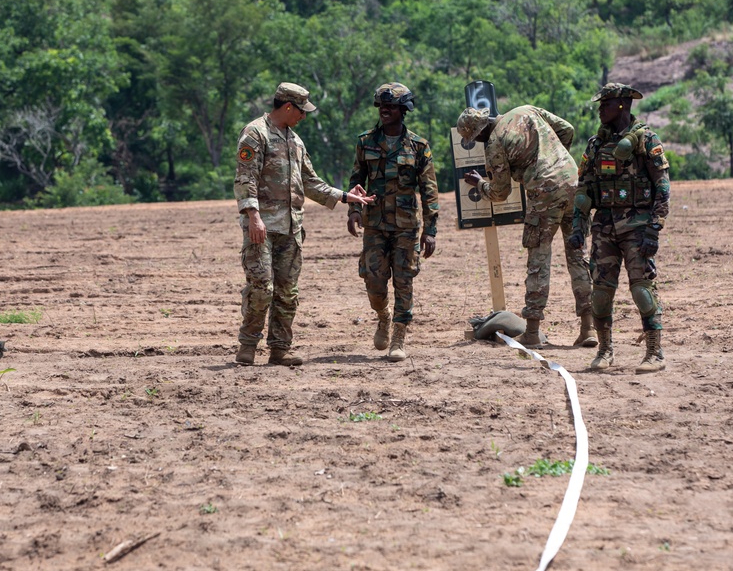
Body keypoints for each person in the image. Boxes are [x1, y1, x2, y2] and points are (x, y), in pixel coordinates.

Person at [233, 82, 375, 367]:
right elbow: (245, 179)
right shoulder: (255, 134)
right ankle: (247, 346)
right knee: (262, 289)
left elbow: (310, 183)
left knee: (287, 293)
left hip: (292, 229)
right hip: (262, 227)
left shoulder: (295, 141)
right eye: (301, 111)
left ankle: (279, 350)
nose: (304, 116)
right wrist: (253, 217)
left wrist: (347, 197)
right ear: (288, 107)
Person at [458, 104, 596, 348]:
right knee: (578, 256)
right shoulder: (527, 110)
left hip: (544, 194)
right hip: (574, 182)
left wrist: (480, 184)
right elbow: (567, 129)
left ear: (479, 133)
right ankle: (589, 329)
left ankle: (531, 332)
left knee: (538, 261)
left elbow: (500, 192)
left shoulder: (494, 142)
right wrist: (555, 158)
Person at [567, 83, 671, 373]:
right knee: (600, 295)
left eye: (606, 104)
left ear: (622, 105)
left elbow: (662, 187)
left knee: (643, 291)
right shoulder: (596, 145)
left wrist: (655, 228)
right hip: (604, 228)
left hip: (637, 227)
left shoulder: (646, 140)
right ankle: (605, 351)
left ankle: (654, 353)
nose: (600, 109)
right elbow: (584, 189)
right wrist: (579, 227)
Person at [347, 82, 440, 362]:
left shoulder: (419, 146)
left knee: (404, 279)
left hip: (406, 226)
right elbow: (356, 181)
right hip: (374, 222)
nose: (385, 110)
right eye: (381, 106)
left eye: (391, 107)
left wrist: (430, 230)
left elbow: (429, 191)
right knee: (374, 279)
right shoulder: (365, 142)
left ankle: (399, 334)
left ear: (403, 110)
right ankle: (383, 315)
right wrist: (353, 210)